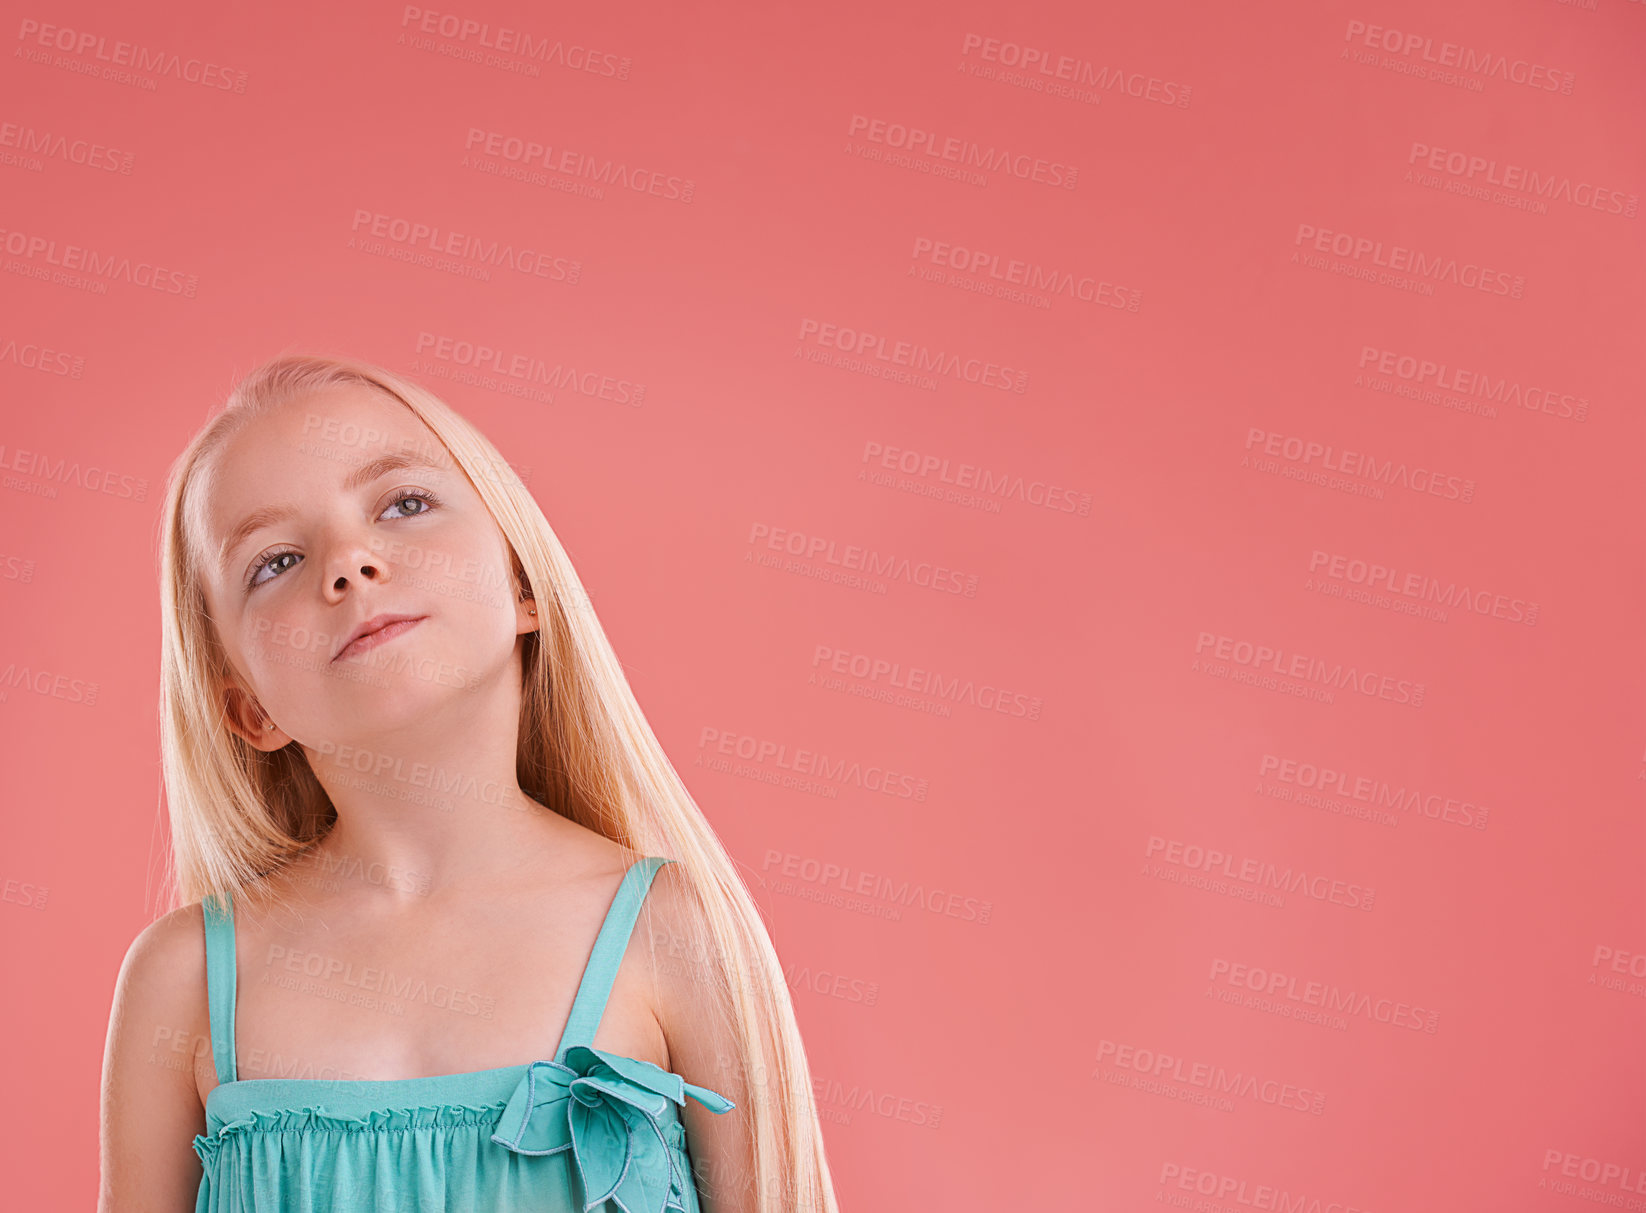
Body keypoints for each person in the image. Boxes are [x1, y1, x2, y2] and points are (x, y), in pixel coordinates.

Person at [97, 353, 838, 1213]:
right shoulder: (182, 978)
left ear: (523, 583)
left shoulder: (679, 934)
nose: (350, 563)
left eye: (404, 504)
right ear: (247, 708)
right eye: (276, 561)